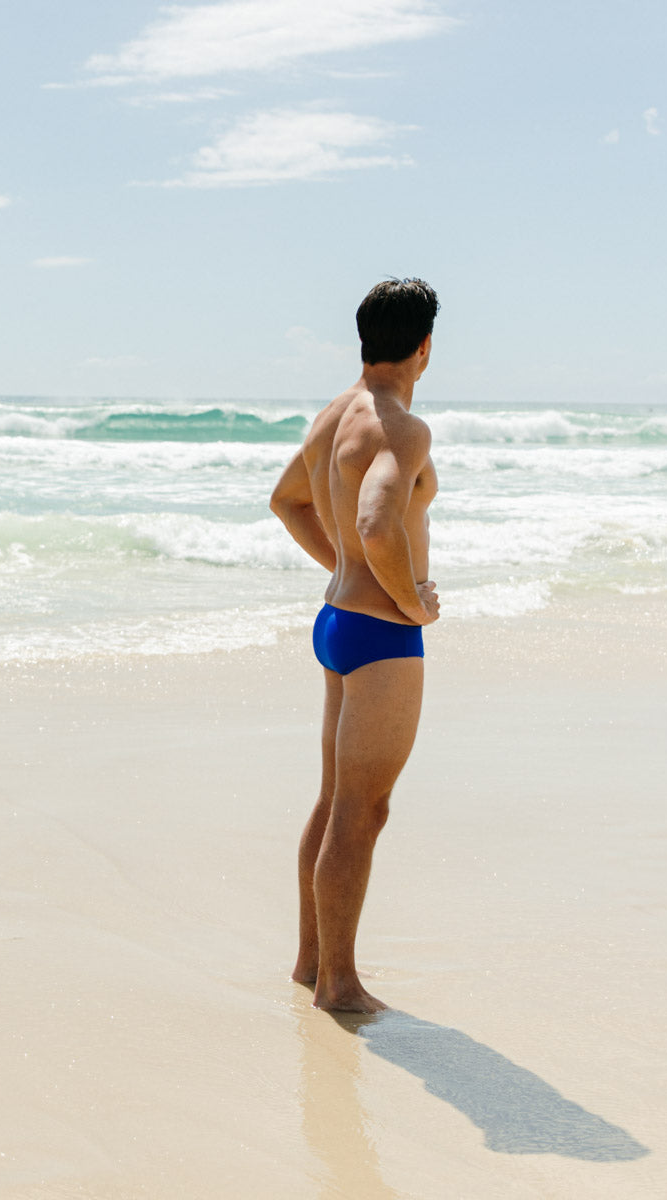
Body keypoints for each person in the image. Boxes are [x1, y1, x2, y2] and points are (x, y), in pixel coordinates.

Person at [270, 278, 440, 1013]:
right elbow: (377, 525)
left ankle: (312, 962)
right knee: (362, 812)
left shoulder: (333, 416)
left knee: (338, 801)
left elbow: (287, 500)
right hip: (380, 634)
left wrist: (341, 570)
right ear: (424, 348)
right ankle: (338, 984)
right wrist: (411, 604)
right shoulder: (401, 427)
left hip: (338, 622)